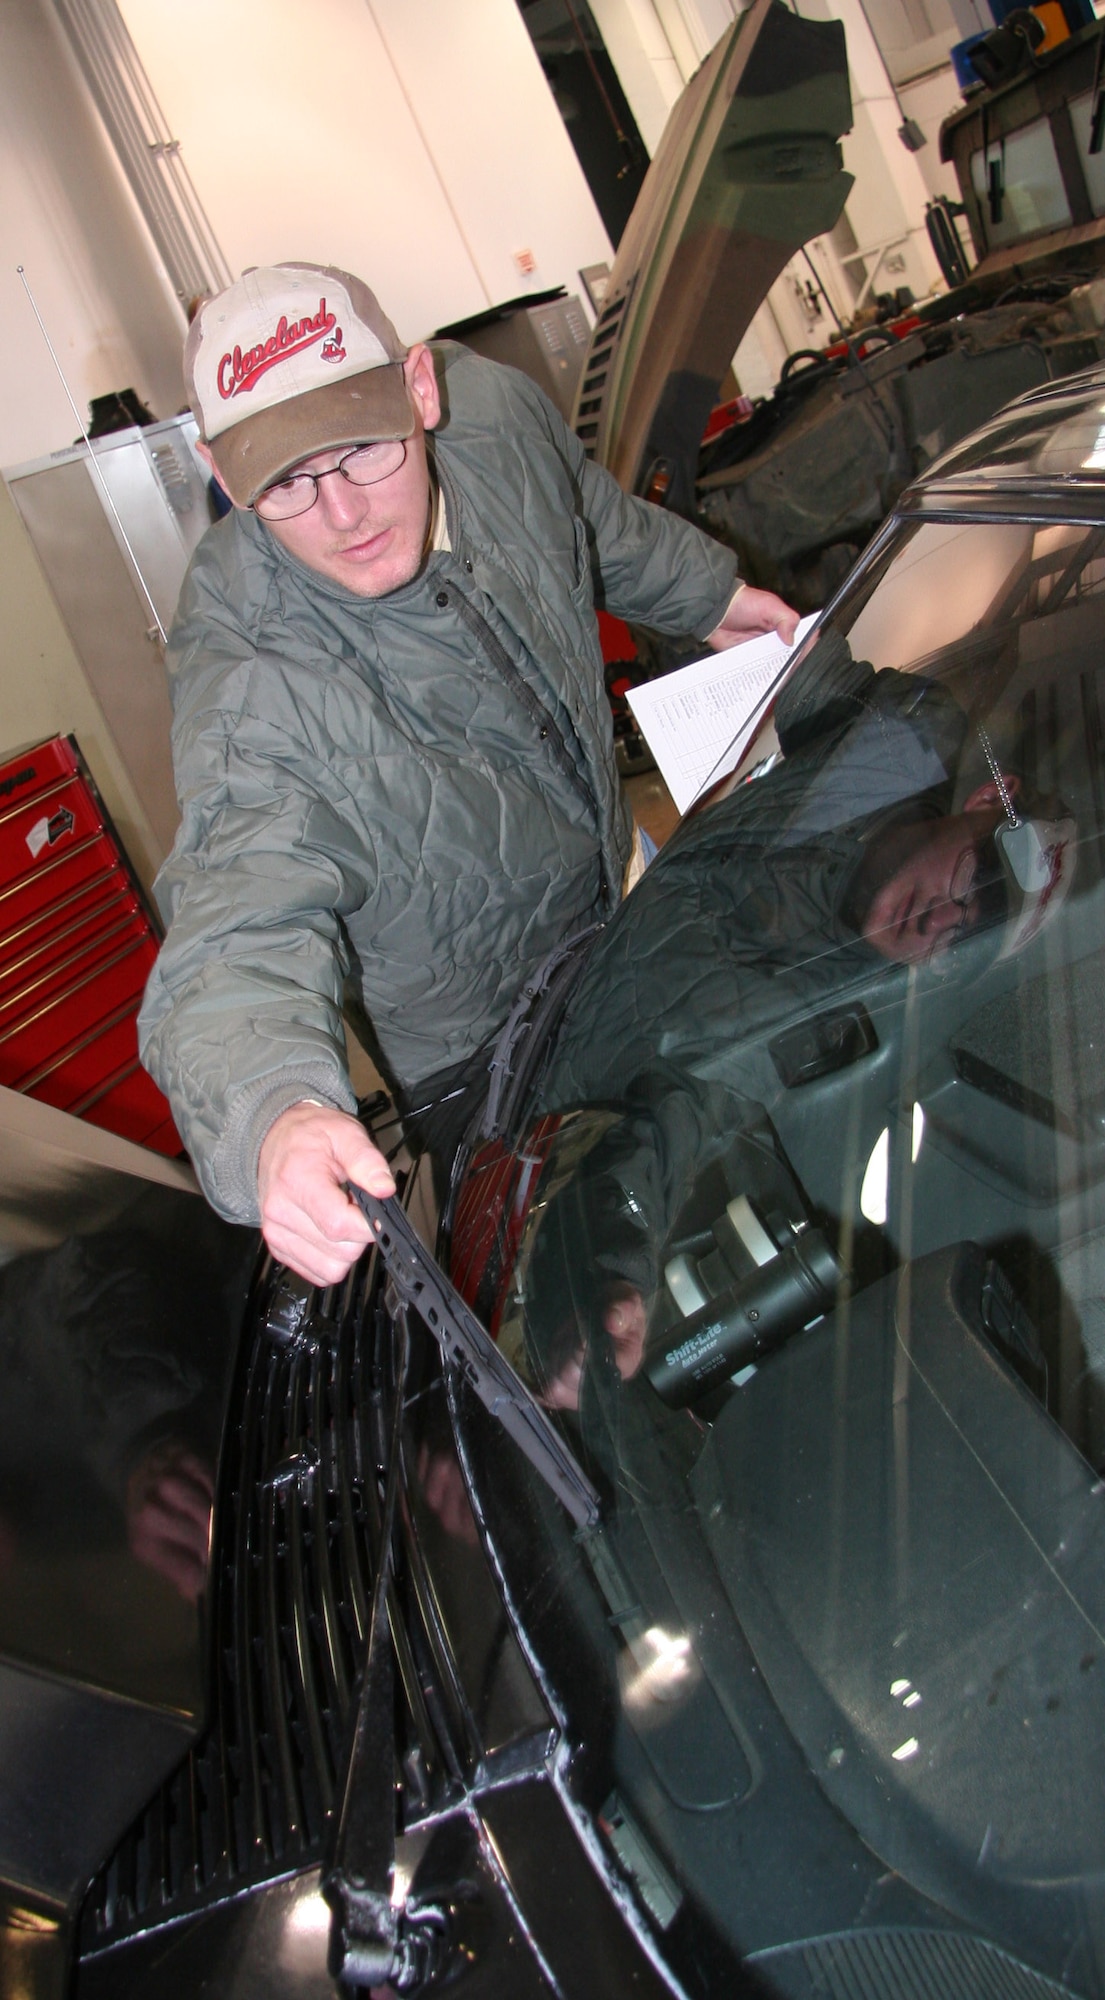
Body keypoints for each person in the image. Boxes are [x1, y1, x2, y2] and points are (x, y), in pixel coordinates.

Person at [137, 262, 798, 1285]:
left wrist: (709, 593)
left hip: (625, 887)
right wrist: (273, 1111)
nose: (343, 512)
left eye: (361, 447)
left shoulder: (493, 413)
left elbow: (579, 515)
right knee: (598, 1304)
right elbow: (237, 903)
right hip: (483, 1044)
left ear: (420, 388)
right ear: (222, 476)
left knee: (763, 1147)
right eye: (284, 483)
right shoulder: (249, 658)